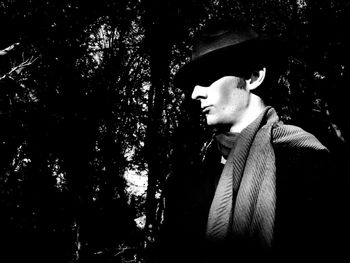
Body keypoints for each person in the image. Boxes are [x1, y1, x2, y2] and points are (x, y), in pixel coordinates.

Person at [149, 18, 343, 263]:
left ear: (253, 76)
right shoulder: (184, 183)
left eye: (208, 76)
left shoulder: (314, 169)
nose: (195, 92)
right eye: (193, 83)